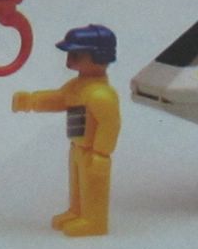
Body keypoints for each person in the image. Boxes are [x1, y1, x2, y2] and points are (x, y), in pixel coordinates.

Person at [12, 24, 121, 236]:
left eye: (76, 55)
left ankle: (94, 221)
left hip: (92, 151)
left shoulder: (100, 95)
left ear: (98, 56)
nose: (69, 60)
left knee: (92, 185)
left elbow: (110, 124)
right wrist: (31, 101)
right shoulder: (77, 86)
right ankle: (77, 211)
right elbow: (60, 99)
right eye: (70, 54)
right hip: (77, 146)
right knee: (78, 184)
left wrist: (101, 152)